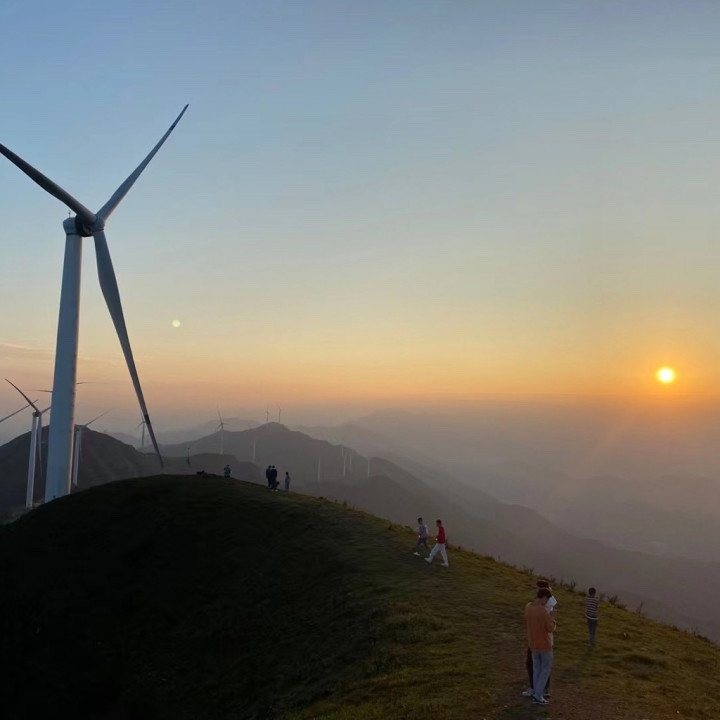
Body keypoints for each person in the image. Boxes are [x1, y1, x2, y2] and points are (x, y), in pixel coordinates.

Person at [523, 580, 556, 699]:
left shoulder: (529, 607)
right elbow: (550, 628)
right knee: (544, 669)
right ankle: (539, 693)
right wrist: (553, 619)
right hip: (544, 643)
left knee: (536, 667)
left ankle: (535, 690)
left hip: (533, 642)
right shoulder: (543, 610)